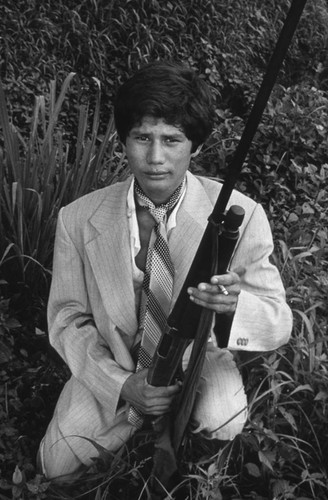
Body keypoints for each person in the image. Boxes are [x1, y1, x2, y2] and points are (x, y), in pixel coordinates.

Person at [38, 60, 293, 480]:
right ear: (124, 140)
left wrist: (231, 307)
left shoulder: (243, 214)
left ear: (195, 145)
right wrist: (123, 385)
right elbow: (67, 320)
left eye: (172, 140)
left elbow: (278, 320)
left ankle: (189, 446)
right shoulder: (77, 218)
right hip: (118, 366)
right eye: (142, 137)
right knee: (53, 467)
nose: (155, 158)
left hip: (197, 360)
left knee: (223, 417)